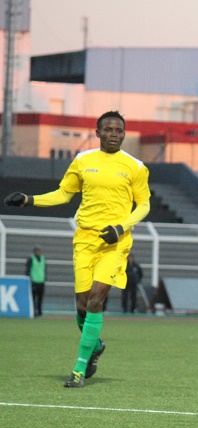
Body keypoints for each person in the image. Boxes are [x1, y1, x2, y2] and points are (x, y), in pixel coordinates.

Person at [3, 110, 151, 387]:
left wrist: (120, 227)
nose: (113, 135)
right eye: (108, 130)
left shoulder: (135, 166)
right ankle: (94, 346)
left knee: (96, 300)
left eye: (119, 131)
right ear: (97, 133)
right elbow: (64, 193)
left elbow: (144, 205)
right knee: (82, 308)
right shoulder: (83, 160)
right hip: (84, 241)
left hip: (115, 243)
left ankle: (79, 369)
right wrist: (28, 200)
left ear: (123, 134)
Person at [25, 245, 46, 317]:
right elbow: (27, 270)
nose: (39, 252)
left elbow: (44, 269)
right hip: (34, 281)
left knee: (40, 298)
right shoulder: (31, 258)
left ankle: (40, 312)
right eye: (37, 251)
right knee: (33, 298)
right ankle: (33, 312)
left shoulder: (43, 258)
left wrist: (45, 278)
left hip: (41, 281)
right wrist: (29, 279)